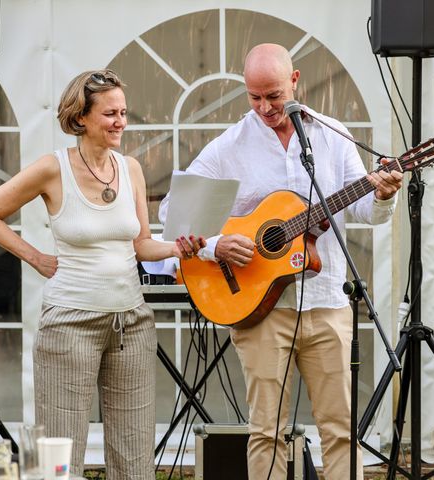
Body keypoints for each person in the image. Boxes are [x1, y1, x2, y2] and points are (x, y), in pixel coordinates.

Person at [159, 44, 403, 480]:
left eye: (272, 94)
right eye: (254, 97)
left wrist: (384, 194)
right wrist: (217, 245)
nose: (265, 107)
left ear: (295, 80)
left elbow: (360, 210)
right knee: (266, 431)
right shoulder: (230, 145)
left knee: (340, 428)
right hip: (259, 311)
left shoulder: (331, 133)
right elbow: (173, 213)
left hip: (328, 300)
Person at [0, 69, 203, 479]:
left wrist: (177, 247)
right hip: (69, 325)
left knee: (134, 461)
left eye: (124, 112)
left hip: (131, 323)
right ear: (80, 117)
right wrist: (36, 258)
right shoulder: (52, 168)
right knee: (59, 460)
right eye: (110, 113)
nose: (121, 122)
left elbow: (141, 245)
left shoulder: (130, 168)